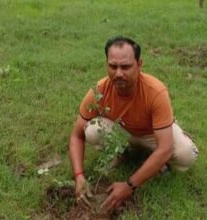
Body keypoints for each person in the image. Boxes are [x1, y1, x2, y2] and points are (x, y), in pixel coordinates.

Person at [68, 36, 199, 211]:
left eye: (126, 67)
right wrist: (79, 176)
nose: (119, 73)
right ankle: (123, 154)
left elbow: (166, 148)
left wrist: (129, 185)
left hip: (152, 134)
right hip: (122, 133)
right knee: (90, 130)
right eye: (113, 66)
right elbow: (76, 135)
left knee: (186, 156)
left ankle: (153, 157)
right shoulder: (99, 90)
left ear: (139, 64)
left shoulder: (155, 92)